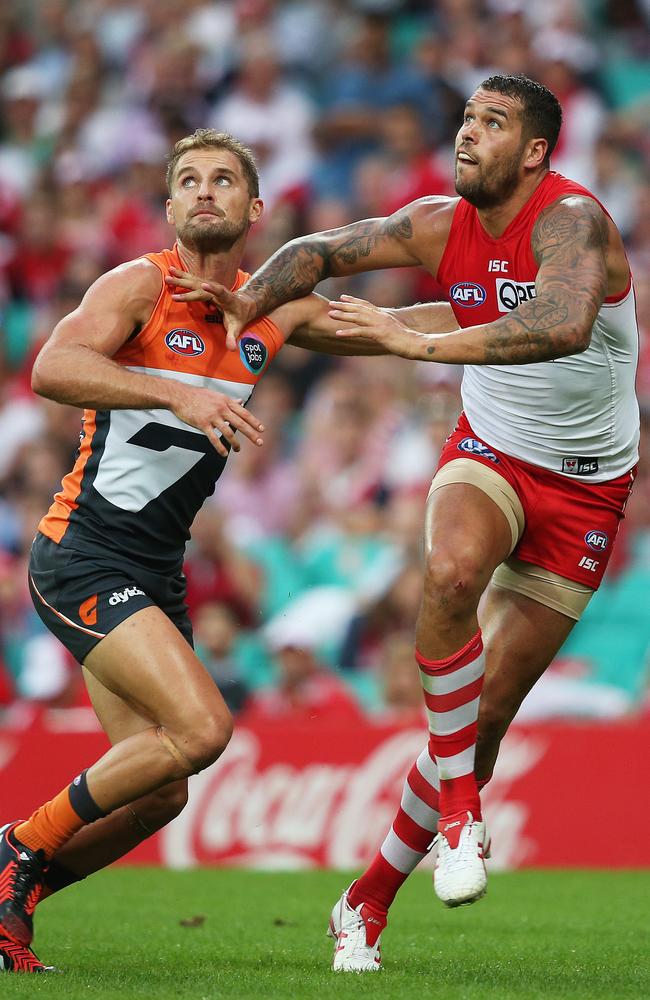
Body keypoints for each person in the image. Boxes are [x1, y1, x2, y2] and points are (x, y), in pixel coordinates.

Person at [175, 75, 639, 972]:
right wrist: (249, 301)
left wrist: (415, 343)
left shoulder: (572, 222)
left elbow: (562, 322)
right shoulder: (434, 221)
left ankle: (364, 901)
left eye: (493, 124)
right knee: (453, 572)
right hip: (492, 451)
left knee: (488, 718)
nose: (469, 133)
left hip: (587, 488)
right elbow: (319, 250)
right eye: (467, 118)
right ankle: (463, 809)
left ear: (537, 152)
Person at [0, 127, 389, 974]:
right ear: (170, 205)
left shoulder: (267, 309)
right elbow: (53, 367)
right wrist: (170, 390)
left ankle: (11, 900)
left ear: (255, 210)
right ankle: (15, 849)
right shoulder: (140, 285)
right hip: (83, 553)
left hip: (154, 572)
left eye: (222, 180)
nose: (204, 191)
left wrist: (503, 311)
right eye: (188, 180)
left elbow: (385, 326)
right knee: (204, 730)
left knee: (161, 791)